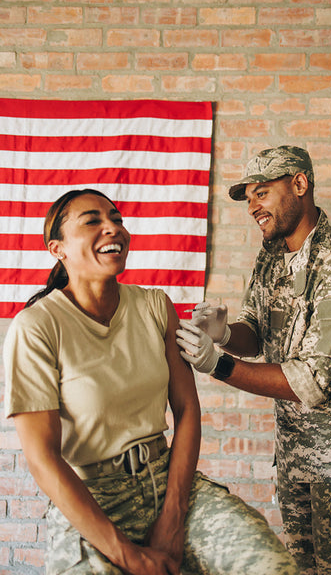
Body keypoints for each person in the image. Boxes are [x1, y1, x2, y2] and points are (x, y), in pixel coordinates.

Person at [3, 188, 298, 575]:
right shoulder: (37, 327)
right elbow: (43, 459)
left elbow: (187, 409)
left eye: (117, 219)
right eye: (93, 221)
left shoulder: (155, 306)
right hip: (92, 499)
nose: (113, 228)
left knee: (273, 567)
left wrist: (173, 518)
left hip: (169, 482)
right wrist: (132, 557)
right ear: (57, 248)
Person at [176, 146, 331, 575]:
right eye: (248, 198)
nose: (253, 206)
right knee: (301, 566)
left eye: (262, 192)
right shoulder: (273, 254)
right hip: (298, 450)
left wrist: (217, 365)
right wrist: (225, 334)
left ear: (300, 184)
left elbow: (308, 381)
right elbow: (255, 331)